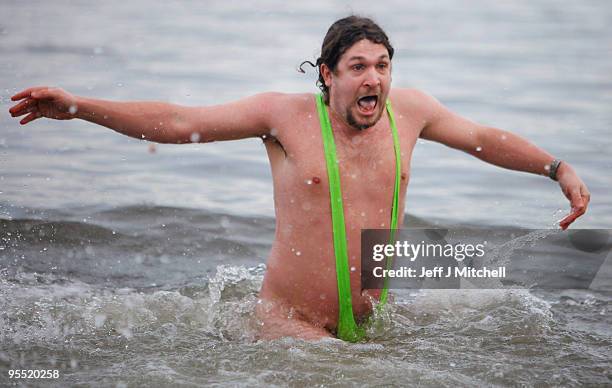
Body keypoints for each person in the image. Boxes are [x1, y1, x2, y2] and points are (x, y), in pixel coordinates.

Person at [8, 16, 590, 341]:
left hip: (374, 320)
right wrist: (79, 106)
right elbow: (180, 121)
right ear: (328, 74)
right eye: (358, 66)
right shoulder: (282, 116)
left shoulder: (411, 112)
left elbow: (484, 138)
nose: (374, 79)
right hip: (291, 325)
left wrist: (556, 167)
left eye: (383, 66)